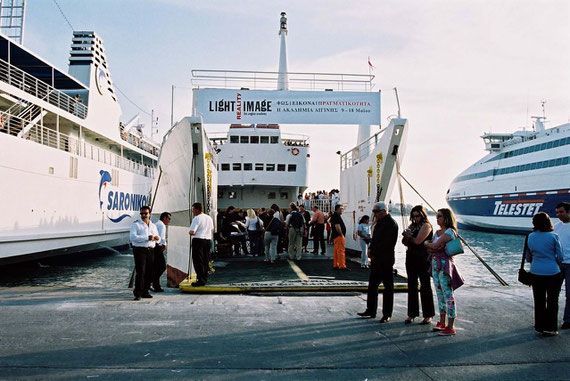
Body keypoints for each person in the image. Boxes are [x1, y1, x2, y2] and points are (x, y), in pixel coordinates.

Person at [425, 208, 464, 336]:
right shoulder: (438, 232)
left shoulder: (450, 232)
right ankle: (442, 321)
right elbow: (433, 248)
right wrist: (430, 245)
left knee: (448, 295)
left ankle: (451, 325)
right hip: (436, 264)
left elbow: (434, 246)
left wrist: (429, 244)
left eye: (440, 216)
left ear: (447, 218)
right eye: (437, 216)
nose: (437, 219)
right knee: (440, 294)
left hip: (445, 266)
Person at [358, 202, 398, 322]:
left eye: (376, 211)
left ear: (383, 211)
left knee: (388, 287)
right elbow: (375, 240)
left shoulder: (391, 224)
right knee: (372, 285)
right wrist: (370, 250)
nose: (374, 214)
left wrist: (374, 252)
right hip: (376, 259)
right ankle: (371, 310)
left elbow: (387, 243)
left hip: (385, 259)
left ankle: (387, 314)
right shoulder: (378, 223)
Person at [526, 212, 564, 335]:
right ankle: (551, 328)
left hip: (536, 272)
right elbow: (560, 256)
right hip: (553, 271)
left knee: (539, 300)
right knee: (553, 300)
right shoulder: (554, 236)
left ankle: (539, 326)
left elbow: (528, 257)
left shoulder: (530, 236)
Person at [402, 206, 435, 325]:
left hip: (422, 258)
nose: (415, 218)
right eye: (414, 216)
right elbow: (404, 241)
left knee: (425, 285)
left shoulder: (426, 226)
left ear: (423, 215)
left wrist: (408, 236)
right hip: (411, 257)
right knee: (411, 285)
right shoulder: (412, 226)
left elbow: (418, 241)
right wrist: (408, 236)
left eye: (418, 216)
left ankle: (428, 314)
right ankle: (412, 313)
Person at [129, 206, 160, 300]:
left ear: (149, 214)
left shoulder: (153, 225)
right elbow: (133, 237)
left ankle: (145, 291)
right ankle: (138, 293)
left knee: (149, 271)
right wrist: (147, 237)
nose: (143, 215)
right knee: (141, 271)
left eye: (145, 213)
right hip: (139, 250)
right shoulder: (136, 225)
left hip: (150, 250)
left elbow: (158, 237)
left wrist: (157, 239)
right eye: (141, 214)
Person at [188, 202, 214, 287]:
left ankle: (200, 280)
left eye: (193, 210)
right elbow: (212, 229)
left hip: (198, 240)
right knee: (205, 260)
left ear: (197, 209)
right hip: (207, 240)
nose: (193, 212)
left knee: (198, 261)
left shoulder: (197, 218)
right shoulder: (209, 218)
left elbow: (192, 232)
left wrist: (189, 232)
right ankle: (205, 278)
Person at [554, 202, 570, 330]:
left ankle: (568, 320)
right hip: (558, 264)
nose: (559, 215)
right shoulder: (556, 227)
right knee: (553, 293)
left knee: (569, 294)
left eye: (561, 212)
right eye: (557, 212)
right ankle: (550, 319)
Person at [151, 212, 171, 292]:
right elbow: (162, 237)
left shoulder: (157, 224)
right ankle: (151, 281)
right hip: (158, 246)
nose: (169, 221)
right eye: (169, 218)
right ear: (164, 218)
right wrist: (165, 245)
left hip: (155, 246)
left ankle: (156, 286)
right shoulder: (162, 225)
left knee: (156, 267)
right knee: (162, 266)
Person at [330, 204, 349, 270]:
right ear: (339, 209)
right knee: (341, 251)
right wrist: (341, 234)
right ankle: (342, 265)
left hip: (335, 236)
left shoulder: (334, 215)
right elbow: (337, 225)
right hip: (338, 236)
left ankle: (336, 264)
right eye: (342, 209)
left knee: (336, 251)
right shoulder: (337, 216)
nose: (342, 210)